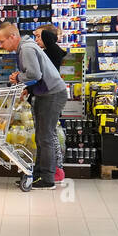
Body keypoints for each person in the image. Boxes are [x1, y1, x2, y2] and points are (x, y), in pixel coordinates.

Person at [0, 22, 67, 189]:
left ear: (13, 37)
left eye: (2, 41)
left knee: (45, 137)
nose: (0, 45)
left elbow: (35, 74)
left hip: (52, 94)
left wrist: (18, 78)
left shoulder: (26, 49)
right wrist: (27, 87)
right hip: (45, 93)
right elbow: (36, 74)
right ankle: (38, 173)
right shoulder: (25, 47)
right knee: (41, 137)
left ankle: (48, 179)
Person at [35, 24, 67, 182]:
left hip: (53, 96)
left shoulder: (53, 51)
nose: (36, 39)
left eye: (39, 36)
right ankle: (49, 169)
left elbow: (48, 36)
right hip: (47, 95)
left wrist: (47, 32)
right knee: (47, 135)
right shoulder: (43, 53)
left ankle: (57, 170)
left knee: (50, 136)